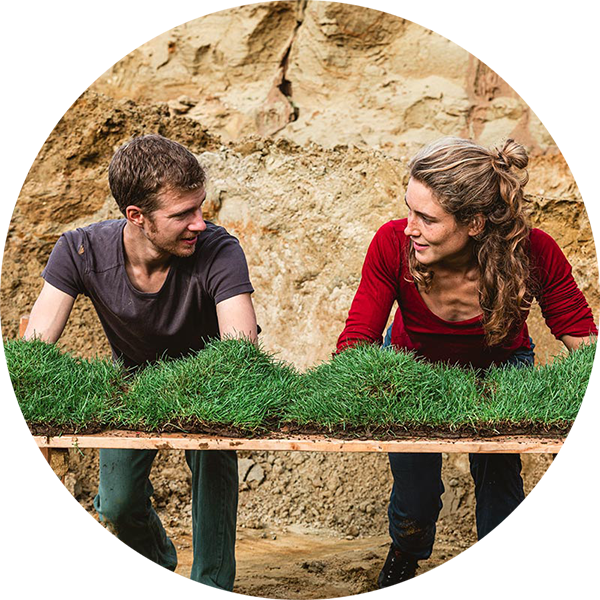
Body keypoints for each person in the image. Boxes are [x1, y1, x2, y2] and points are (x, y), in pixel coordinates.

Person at [336, 137, 598, 599]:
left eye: (427, 219)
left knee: (499, 479)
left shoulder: (533, 251)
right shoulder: (390, 245)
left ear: (474, 222)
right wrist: (348, 386)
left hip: (500, 370)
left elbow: (581, 339)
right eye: (409, 211)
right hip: (413, 370)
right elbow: (359, 338)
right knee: (417, 494)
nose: (409, 229)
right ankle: (406, 552)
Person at [23, 134, 258, 597]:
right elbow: (36, 344)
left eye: (200, 207)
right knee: (116, 504)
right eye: (183, 214)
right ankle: (154, 564)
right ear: (137, 217)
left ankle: (212, 589)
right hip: (132, 385)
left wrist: (210, 389)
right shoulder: (80, 251)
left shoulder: (219, 249)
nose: (200, 223)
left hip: (211, 391)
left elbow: (240, 348)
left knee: (214, 488)